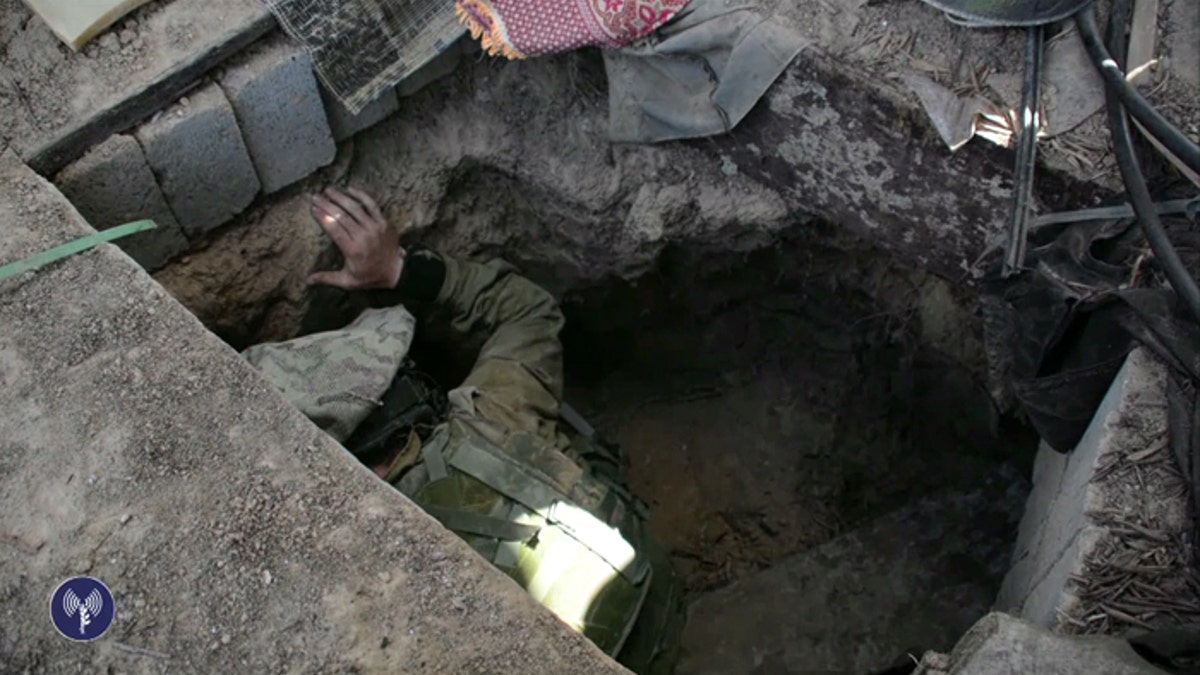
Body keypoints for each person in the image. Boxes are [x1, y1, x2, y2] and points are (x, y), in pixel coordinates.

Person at [244, 186, 683, 674]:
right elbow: (528, 311)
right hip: (660, 615)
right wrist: (397, 269)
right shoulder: (494, 417)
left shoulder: (359, 573)